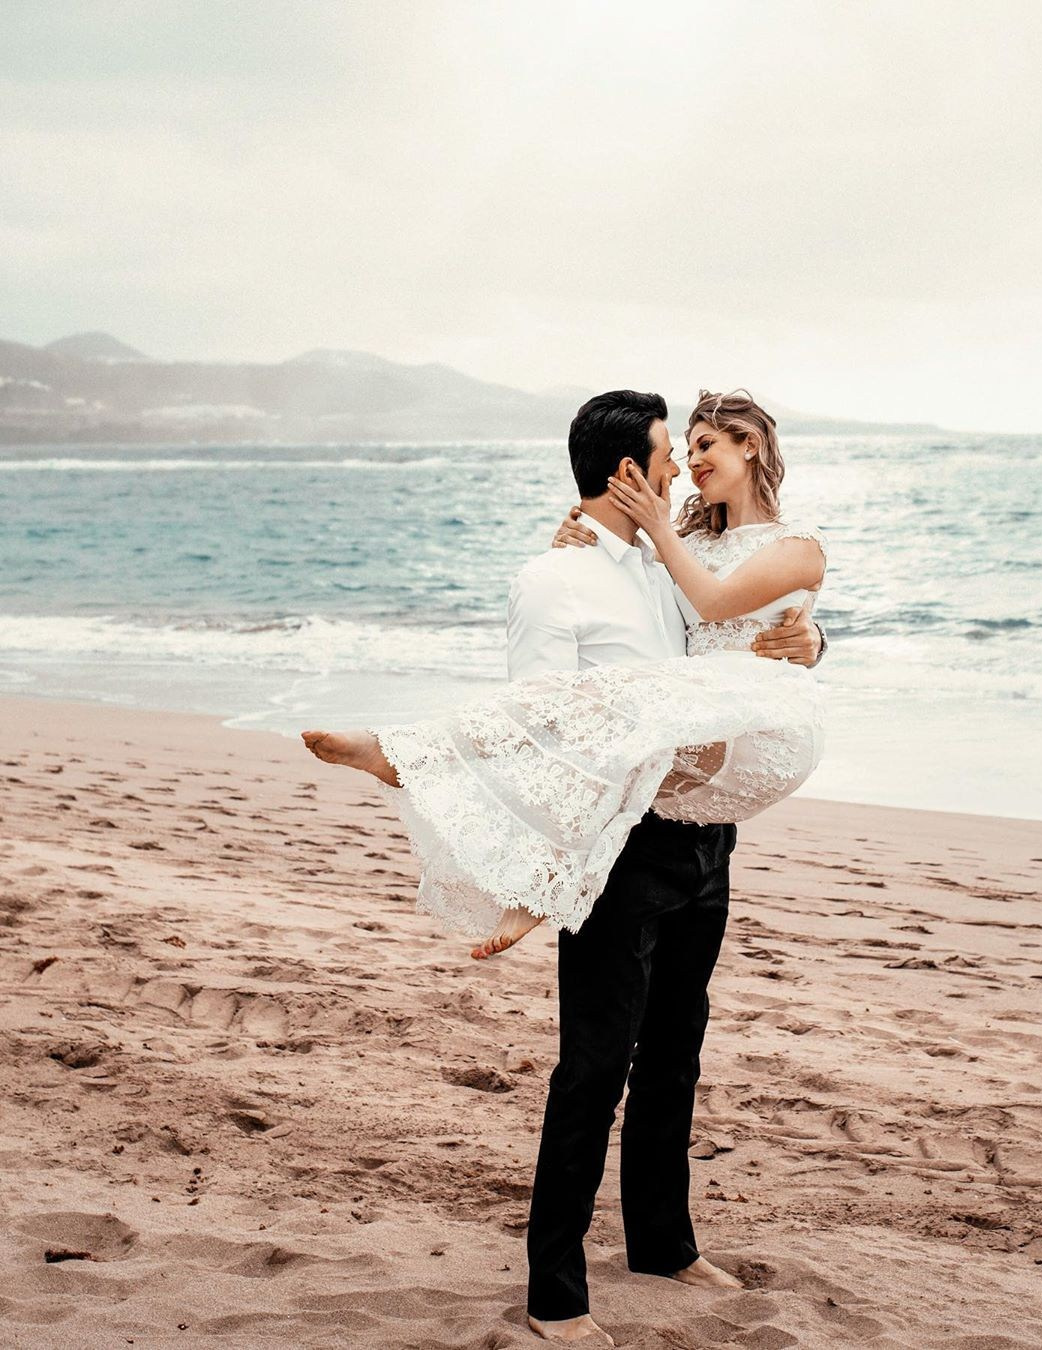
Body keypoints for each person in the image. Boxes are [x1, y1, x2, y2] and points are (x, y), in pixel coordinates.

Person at [302, 388, 827, 1342]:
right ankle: (556, 1295)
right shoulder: (560, 577)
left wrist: (812, 637)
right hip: (621, 847)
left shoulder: (660, 561)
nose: (682, 465)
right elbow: (539, 721)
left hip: (704, 839)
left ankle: (663, 1244)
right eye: (675, 449)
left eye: (698, 448)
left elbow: (747, 627)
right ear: (630, 471)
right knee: (593, 1068)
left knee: (676, 1054)